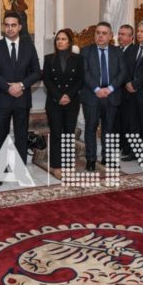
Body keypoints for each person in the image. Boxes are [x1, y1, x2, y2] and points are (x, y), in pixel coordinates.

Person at [0, 12, 41, 164]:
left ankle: (20, 169)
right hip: (1, 99)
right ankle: (0, 169)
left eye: (13, 25)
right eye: (7, 25)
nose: (10, 28)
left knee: (21, 136)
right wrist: (8, 87)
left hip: (22, 99)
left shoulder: (29, 47)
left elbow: (36, 72)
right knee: (1, 137)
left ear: (20, 27)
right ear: (4, 27)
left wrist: (21, 85)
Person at [80, 22, 126, 172]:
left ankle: (108, 157)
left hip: (111, 96)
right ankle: (91, 159)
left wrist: (110, 89)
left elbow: (123, 73)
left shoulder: (117, 51)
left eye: (104, 33)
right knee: (90, 128)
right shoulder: (85, 51)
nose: (100, 36)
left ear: (110, 36)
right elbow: (85, 72)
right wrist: (97, 89)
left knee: (109, 128)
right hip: (92, 96)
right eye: (98, 33)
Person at [43, 29, 84, 179]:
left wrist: (69, 95)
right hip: (54, 102)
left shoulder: (78, 59)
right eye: (58, 39)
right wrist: (59, 96)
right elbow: (47, 80)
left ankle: (67, 164)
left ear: (69, 42)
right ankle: (56, 166)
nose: (60, 41)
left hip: (71, 102)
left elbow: (80, 80)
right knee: (56, 134)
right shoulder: (49, 59)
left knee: (69, 134)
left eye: (63, 39)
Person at [122, 20, 143, 161]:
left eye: (142, 31)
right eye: (138, 31)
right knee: (133, 124)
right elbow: (125, 68)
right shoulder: (133, 49)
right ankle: (135, 151)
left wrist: (135, 84)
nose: (139, 34)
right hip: (130, 93)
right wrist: (128, 83)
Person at [116, 24, 136, 159]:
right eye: (119, 34)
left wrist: (129, 82)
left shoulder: (135, 50)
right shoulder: (116, 50)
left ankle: (129, 149)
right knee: (118, 121)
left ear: (131, 37)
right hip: (116, 93)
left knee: (129, 122)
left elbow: (133, 71)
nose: (120, 37)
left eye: (123, 34)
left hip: (129, 93)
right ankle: (120, 145)